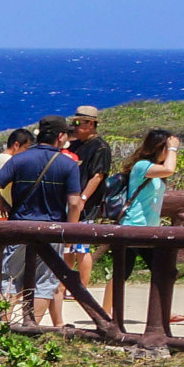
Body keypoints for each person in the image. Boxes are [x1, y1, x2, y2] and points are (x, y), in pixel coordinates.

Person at [0, 118, 87, 327]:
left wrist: (4, 205)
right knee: (45, 283)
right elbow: (75, 203)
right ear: (60, 137)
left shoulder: (19, 159)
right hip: (51, 230)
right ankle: (30, 327)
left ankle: (4, 328)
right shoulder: (68, 164)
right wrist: (69, 231)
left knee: (9, 279)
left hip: (19, 228)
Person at [121, 130, 184, 324]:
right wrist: (173, 148)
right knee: (121, 273)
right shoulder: (142, 166)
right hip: (133, 228)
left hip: (149, 230)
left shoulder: (154, 169)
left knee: (164, 271)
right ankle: (105, 312)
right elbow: (170, 169)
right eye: (166, 148)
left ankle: (164, 311)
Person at [66, 105, 116, 295]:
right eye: (74, 123)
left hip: (86, 203)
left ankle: (82, 286)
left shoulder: (100, 147)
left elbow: (98, 175)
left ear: (91, 124)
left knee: (81, 247)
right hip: (71, 199)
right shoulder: (75, 145)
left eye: (79, 123)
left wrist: (84, 198)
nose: (75, 127)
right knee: (67, 246)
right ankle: (65, 284)